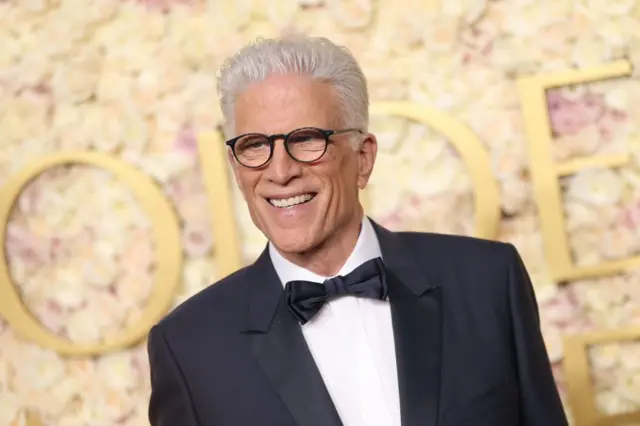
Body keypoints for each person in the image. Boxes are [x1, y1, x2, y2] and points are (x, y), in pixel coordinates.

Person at [147, 36, 569, 426]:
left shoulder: (487, 281)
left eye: (306, 139)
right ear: (237, 168)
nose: (280, 172)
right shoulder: (189, 348)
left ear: (363, 158)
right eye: (255, 146)